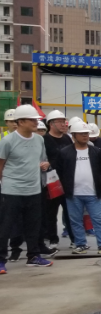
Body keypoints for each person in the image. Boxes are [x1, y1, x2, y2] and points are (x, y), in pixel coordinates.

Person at [0, 105, 53, 272]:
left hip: (34, 190)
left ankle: (33, 256)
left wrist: (45, 164)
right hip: (12, 191)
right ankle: (1, 260)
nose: (36, 123)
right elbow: (0, 165)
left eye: (36, 120)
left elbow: (42, 159)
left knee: (33, 226)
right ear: (21, 122)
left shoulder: (39, 140)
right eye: (32, 120)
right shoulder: (7, 141)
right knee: (6, 226)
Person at [54, 122, 101, 255]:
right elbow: (60, 171)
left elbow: (100, 171)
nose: (85, 136)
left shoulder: (96, 152)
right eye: (81, 134)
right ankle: (80, 244)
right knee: (75, 221)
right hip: (73, 194)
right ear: (74, 135)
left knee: (98, 219)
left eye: (86, 133)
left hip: (93, 193)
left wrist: (100, 189)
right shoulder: (65, 153)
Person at [41, 110, 73, 249]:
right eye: (59, 121)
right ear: (51, 124)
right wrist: (48, 163)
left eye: (63, 121)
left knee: (70, 212)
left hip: (67, 181)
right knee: (51, 212)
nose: (63, 124)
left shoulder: (67, 139)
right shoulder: (44, 140)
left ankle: (75, 239)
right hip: (51, 182)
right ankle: (53, 239)